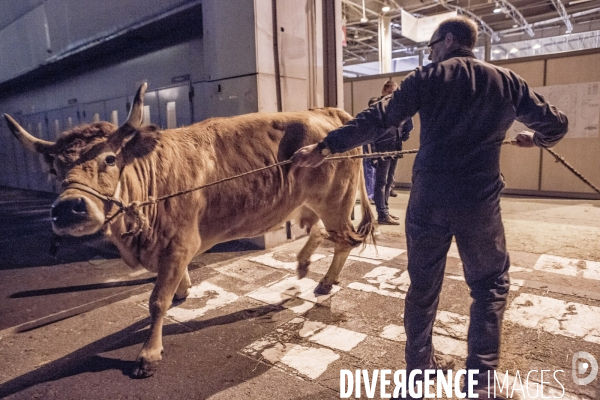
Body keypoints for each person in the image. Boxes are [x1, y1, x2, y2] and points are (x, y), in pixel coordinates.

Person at [292, 16, 568, 399]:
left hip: (429, 200)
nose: (431, 51)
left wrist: (324, 148)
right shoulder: (507, 81)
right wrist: (534, 138)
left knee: (423, 287)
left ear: (449, 40)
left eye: (432, 44)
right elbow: (556, 125)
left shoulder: (427, 78)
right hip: (478, 202)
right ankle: (482, 381)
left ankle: (419, 371)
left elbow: (378, 118)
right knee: (489, 286)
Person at [368, 80, 413, 225]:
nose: (391, 96)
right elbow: (371, 130)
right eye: (389, 93)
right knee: (381, 181)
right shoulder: (378, 106)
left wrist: (403, 137)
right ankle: (382, 213)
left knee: (389, 181)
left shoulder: (400, 107)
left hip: (395, 147)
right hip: (382, 148)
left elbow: (408, 125)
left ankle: (385, 211)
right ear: (383, 92)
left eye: (394, 93)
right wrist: (374, 151)